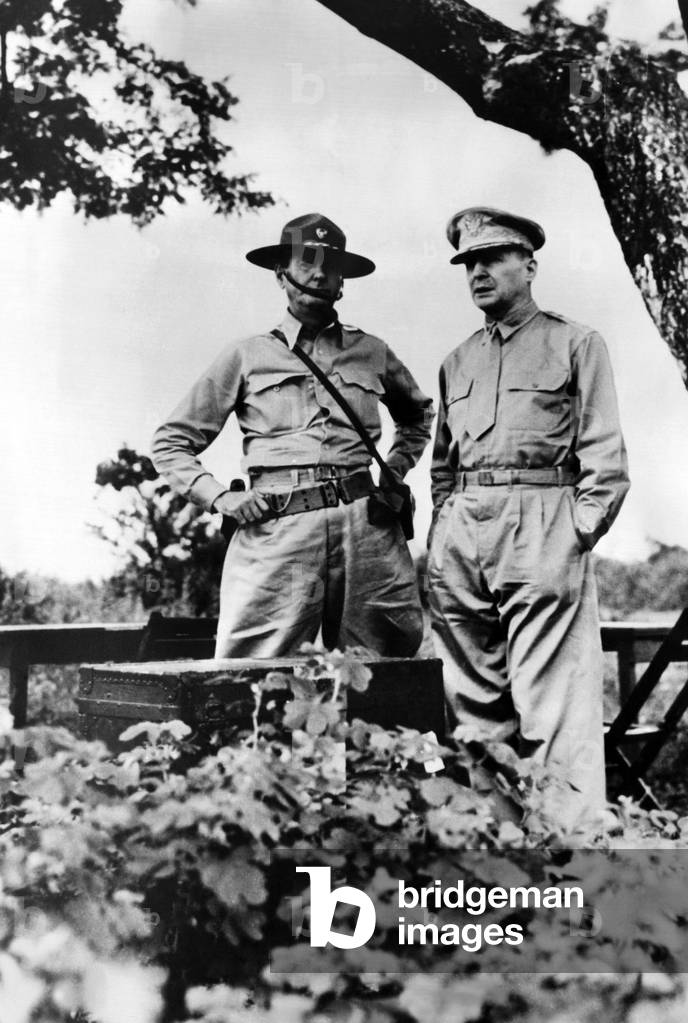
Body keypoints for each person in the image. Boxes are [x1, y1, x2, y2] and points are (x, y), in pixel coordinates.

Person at [151, 213, 433, 658]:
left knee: (387, 663)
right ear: (281, 274)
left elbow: (417, 415)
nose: (319, 273)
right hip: (277, 527)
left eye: (330, 264)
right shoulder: (248, 355)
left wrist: (394, 471)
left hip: (367, 528)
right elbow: (171, 442)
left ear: (343, 281)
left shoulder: (372, 351)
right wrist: (221, 499)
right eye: (306, 262)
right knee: (253, 669)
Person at [428, 206, 630, 822]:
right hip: (463, 531)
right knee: (470, 704)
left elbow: (606, 456)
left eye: (493, 258)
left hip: (543, 519)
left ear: (530, 265)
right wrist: (444, 530)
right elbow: (441, 464)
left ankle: (571, 858)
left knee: (556, 704)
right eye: (469, 263)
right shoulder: (456, 360)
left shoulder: (576, 342)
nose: (478, 272)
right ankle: (495, 849)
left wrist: (577, 530)